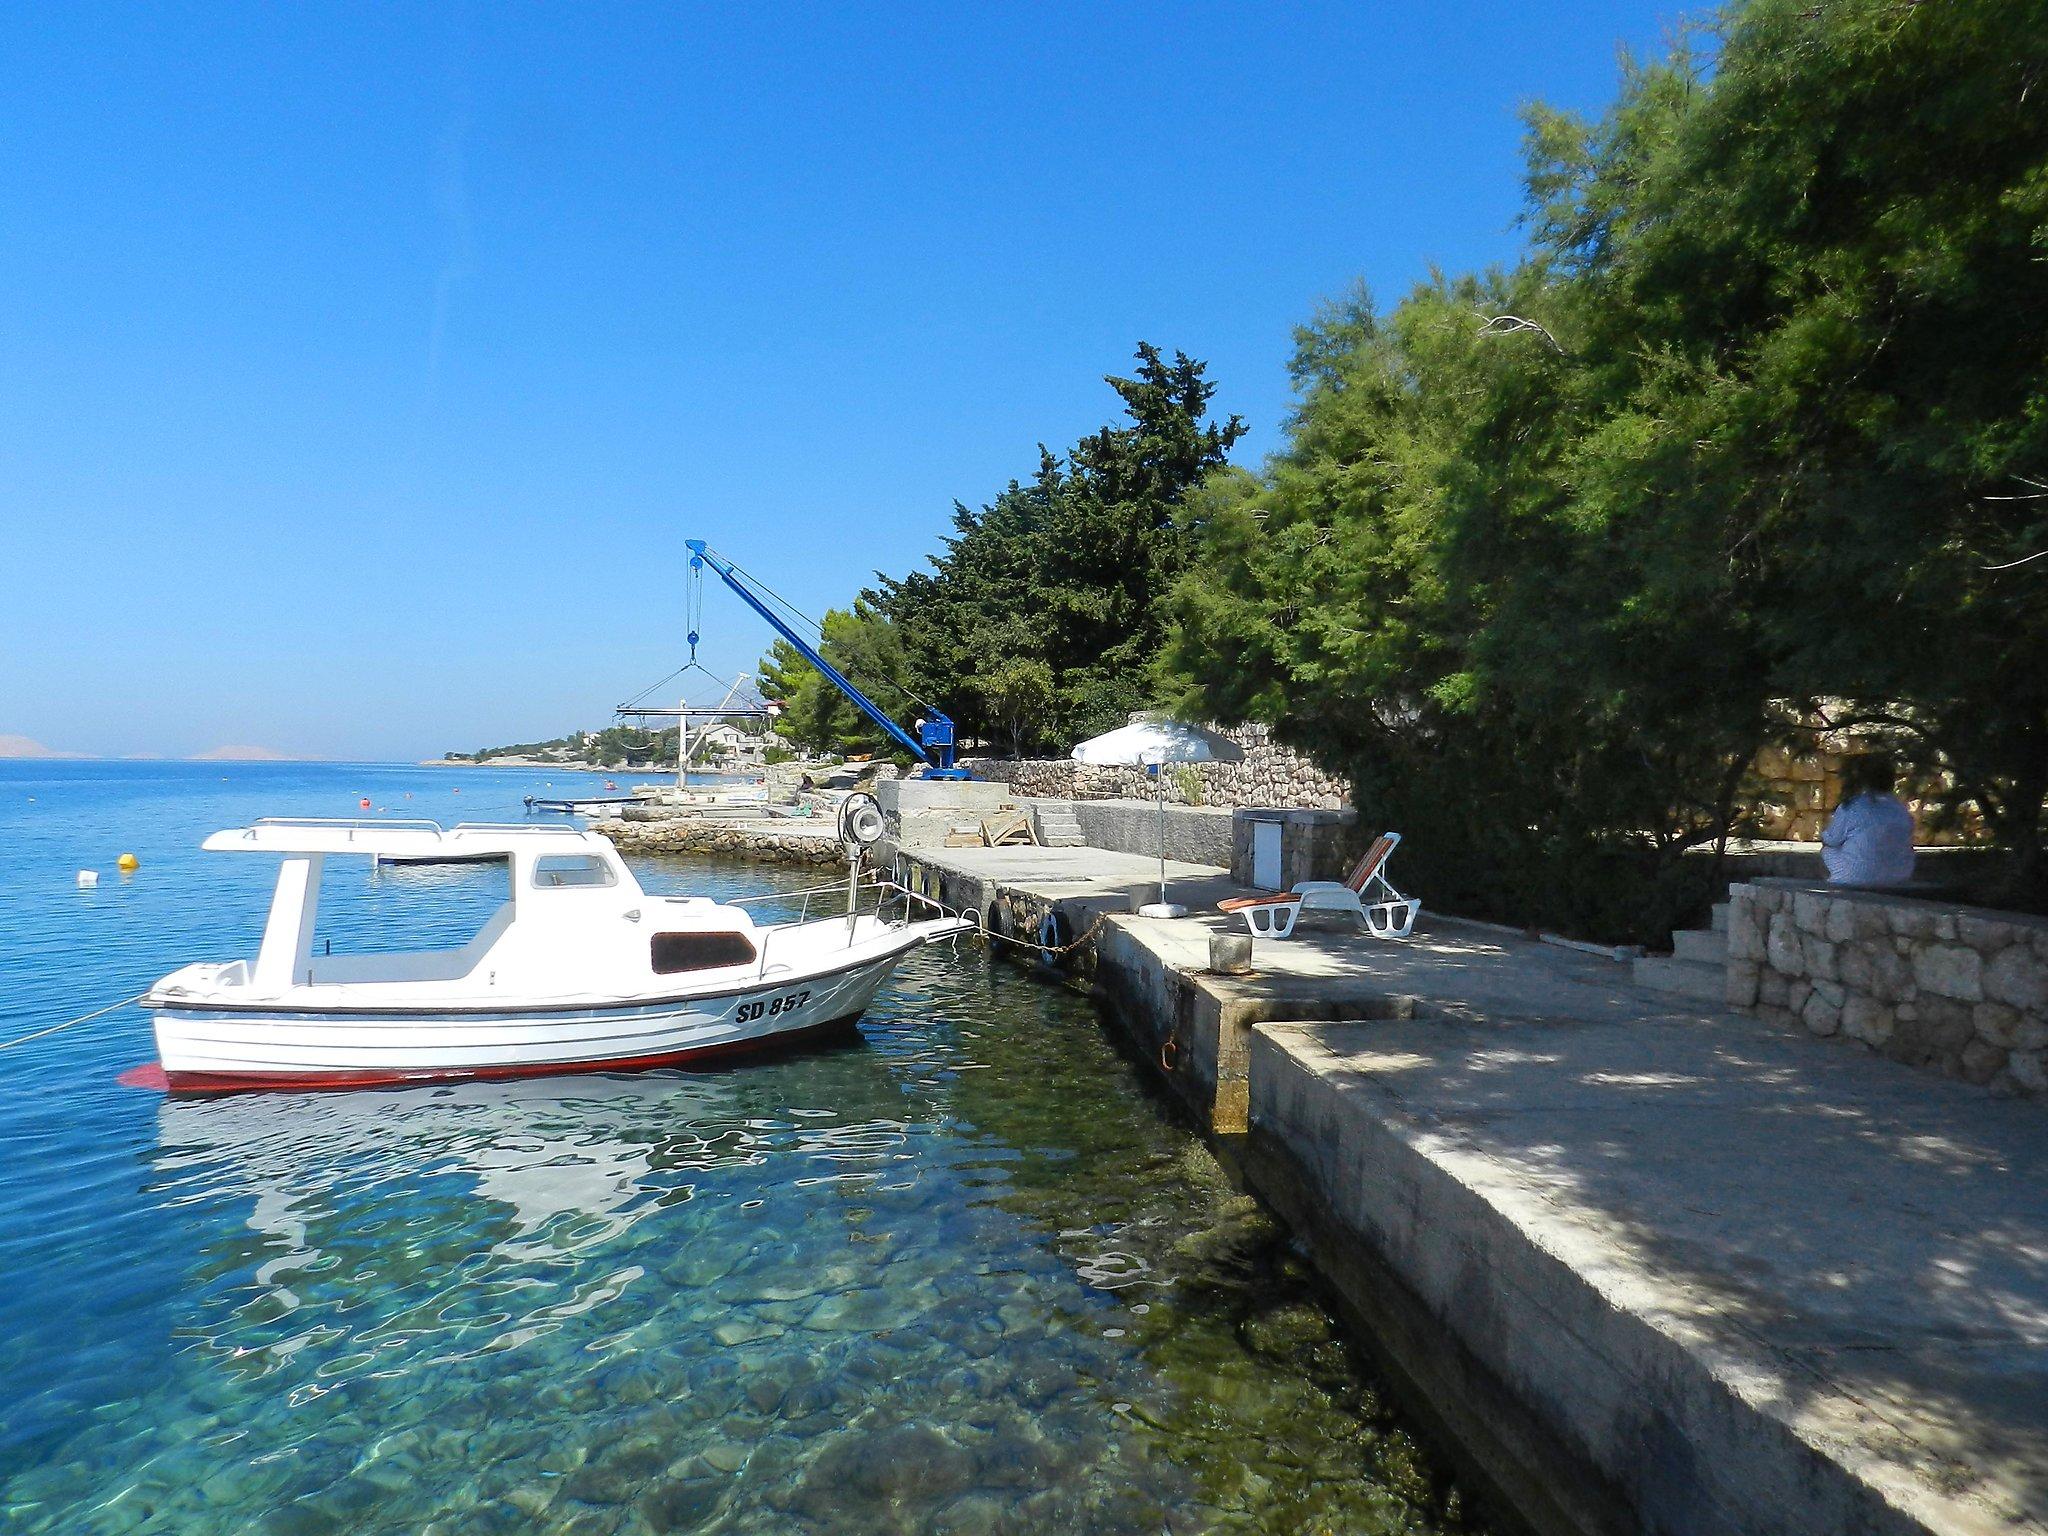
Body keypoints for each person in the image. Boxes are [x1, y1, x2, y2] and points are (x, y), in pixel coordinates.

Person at [1820, 753, 1916, 886]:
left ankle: (1833, 882)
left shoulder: (1852, 806)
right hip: (1900, 875)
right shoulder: (1900, 809)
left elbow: (1832, 840)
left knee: (1827, 849)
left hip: (1856, 876)